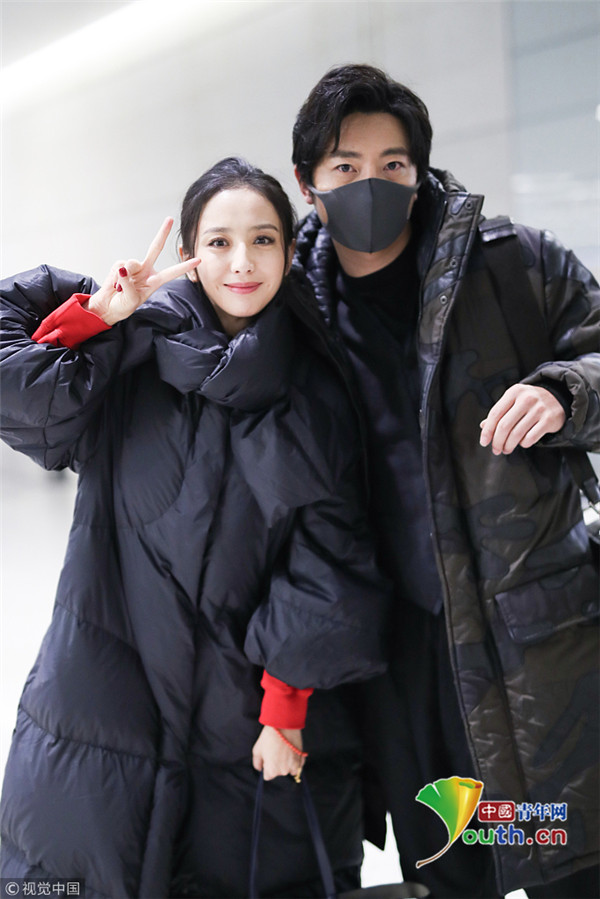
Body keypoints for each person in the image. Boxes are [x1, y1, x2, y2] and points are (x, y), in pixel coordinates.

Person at [0, 157, 392, 898]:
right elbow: (21, 396)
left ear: (288, 250)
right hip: (106, 694)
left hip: (247, 715)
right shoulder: (131, 355)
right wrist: (97, 317)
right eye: (219, 242)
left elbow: (331, 553)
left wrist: (285, 707)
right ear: (188, 250)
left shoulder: (314, 381)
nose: (242, 262)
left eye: (263, 240)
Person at [289, 64, 600, 899]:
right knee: (452, 863)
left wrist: (565, 390)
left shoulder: (509, 265)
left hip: (527, 642)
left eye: (393, 164)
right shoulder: (291, 312)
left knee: (560, 849)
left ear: (420, 170)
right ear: (307, 182)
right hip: (401, 665)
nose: (372, 183)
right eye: (347, 165)